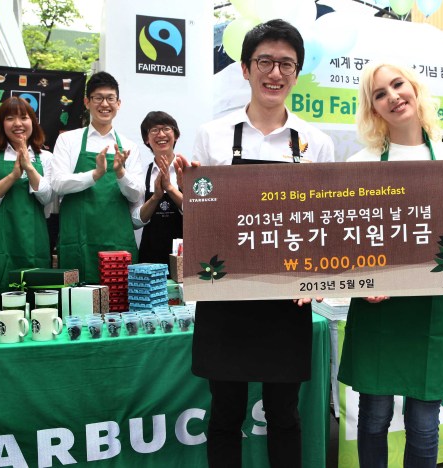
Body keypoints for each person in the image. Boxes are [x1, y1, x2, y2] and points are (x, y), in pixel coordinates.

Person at [176, 19, 335, 468]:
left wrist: (318, 275)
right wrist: (192, 192)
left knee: (284, 413)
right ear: (245, 69)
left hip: (288, 299)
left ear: (297, 73)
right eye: (265, 61)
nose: (275, 72)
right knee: (224, 413)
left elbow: (321, 222)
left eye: (287, 63)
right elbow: (204, 217)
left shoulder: (316, 143)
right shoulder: (213, 135)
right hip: (228, 295)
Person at [337, 61, 443, 468]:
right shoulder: (361, 163)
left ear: (414, 90)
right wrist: (362, 284)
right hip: (378, 306)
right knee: (374, 417)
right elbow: (348, 237)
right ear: (372, 108)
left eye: (398, 85)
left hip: (433, 305)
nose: (393, 97)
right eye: (380, 93)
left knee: (425, 423)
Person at [51, 71, 143, 283]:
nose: (105, 104)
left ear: (118, 104)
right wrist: (95, 174)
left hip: (117, 240)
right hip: (78, 239)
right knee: (79, 306)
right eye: (98, 98)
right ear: (87, 102)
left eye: (110, 98)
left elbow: (136, 193)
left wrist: (120, 173)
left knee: (120, 305)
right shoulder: (68, 141)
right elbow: (57, 184)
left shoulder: (129, 146)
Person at [0, 96, 53, 297]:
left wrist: (29, 168)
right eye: (10, 118)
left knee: (37, 301)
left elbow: (47, 197)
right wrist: (13, 176)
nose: (18, 124)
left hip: (34, 241)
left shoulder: (45, 158)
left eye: (23, 117)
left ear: (33, 123)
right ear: (2, 124)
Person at [133, 111, 183, 266]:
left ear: (176, 135)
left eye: (166, 129)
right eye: (154, 130)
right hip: (151, 257)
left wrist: (170, 189)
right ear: (146, 139)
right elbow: (136, 221)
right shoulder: (140, 175)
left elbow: (198, 213)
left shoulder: (188, 171)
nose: (161, 134)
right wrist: (155, 197)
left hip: (184, 255)